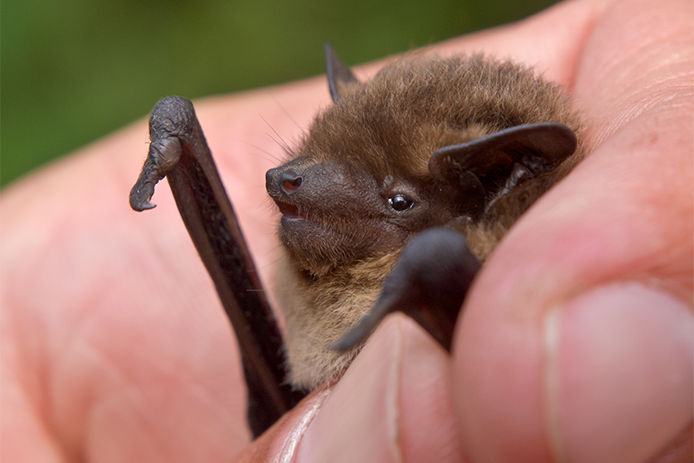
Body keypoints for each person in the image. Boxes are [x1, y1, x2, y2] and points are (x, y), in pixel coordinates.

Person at [1, 0, 691, 461]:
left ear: (500, 188)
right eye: (326, 160)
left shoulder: (477, 268)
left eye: (395, 199)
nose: (290, 182)